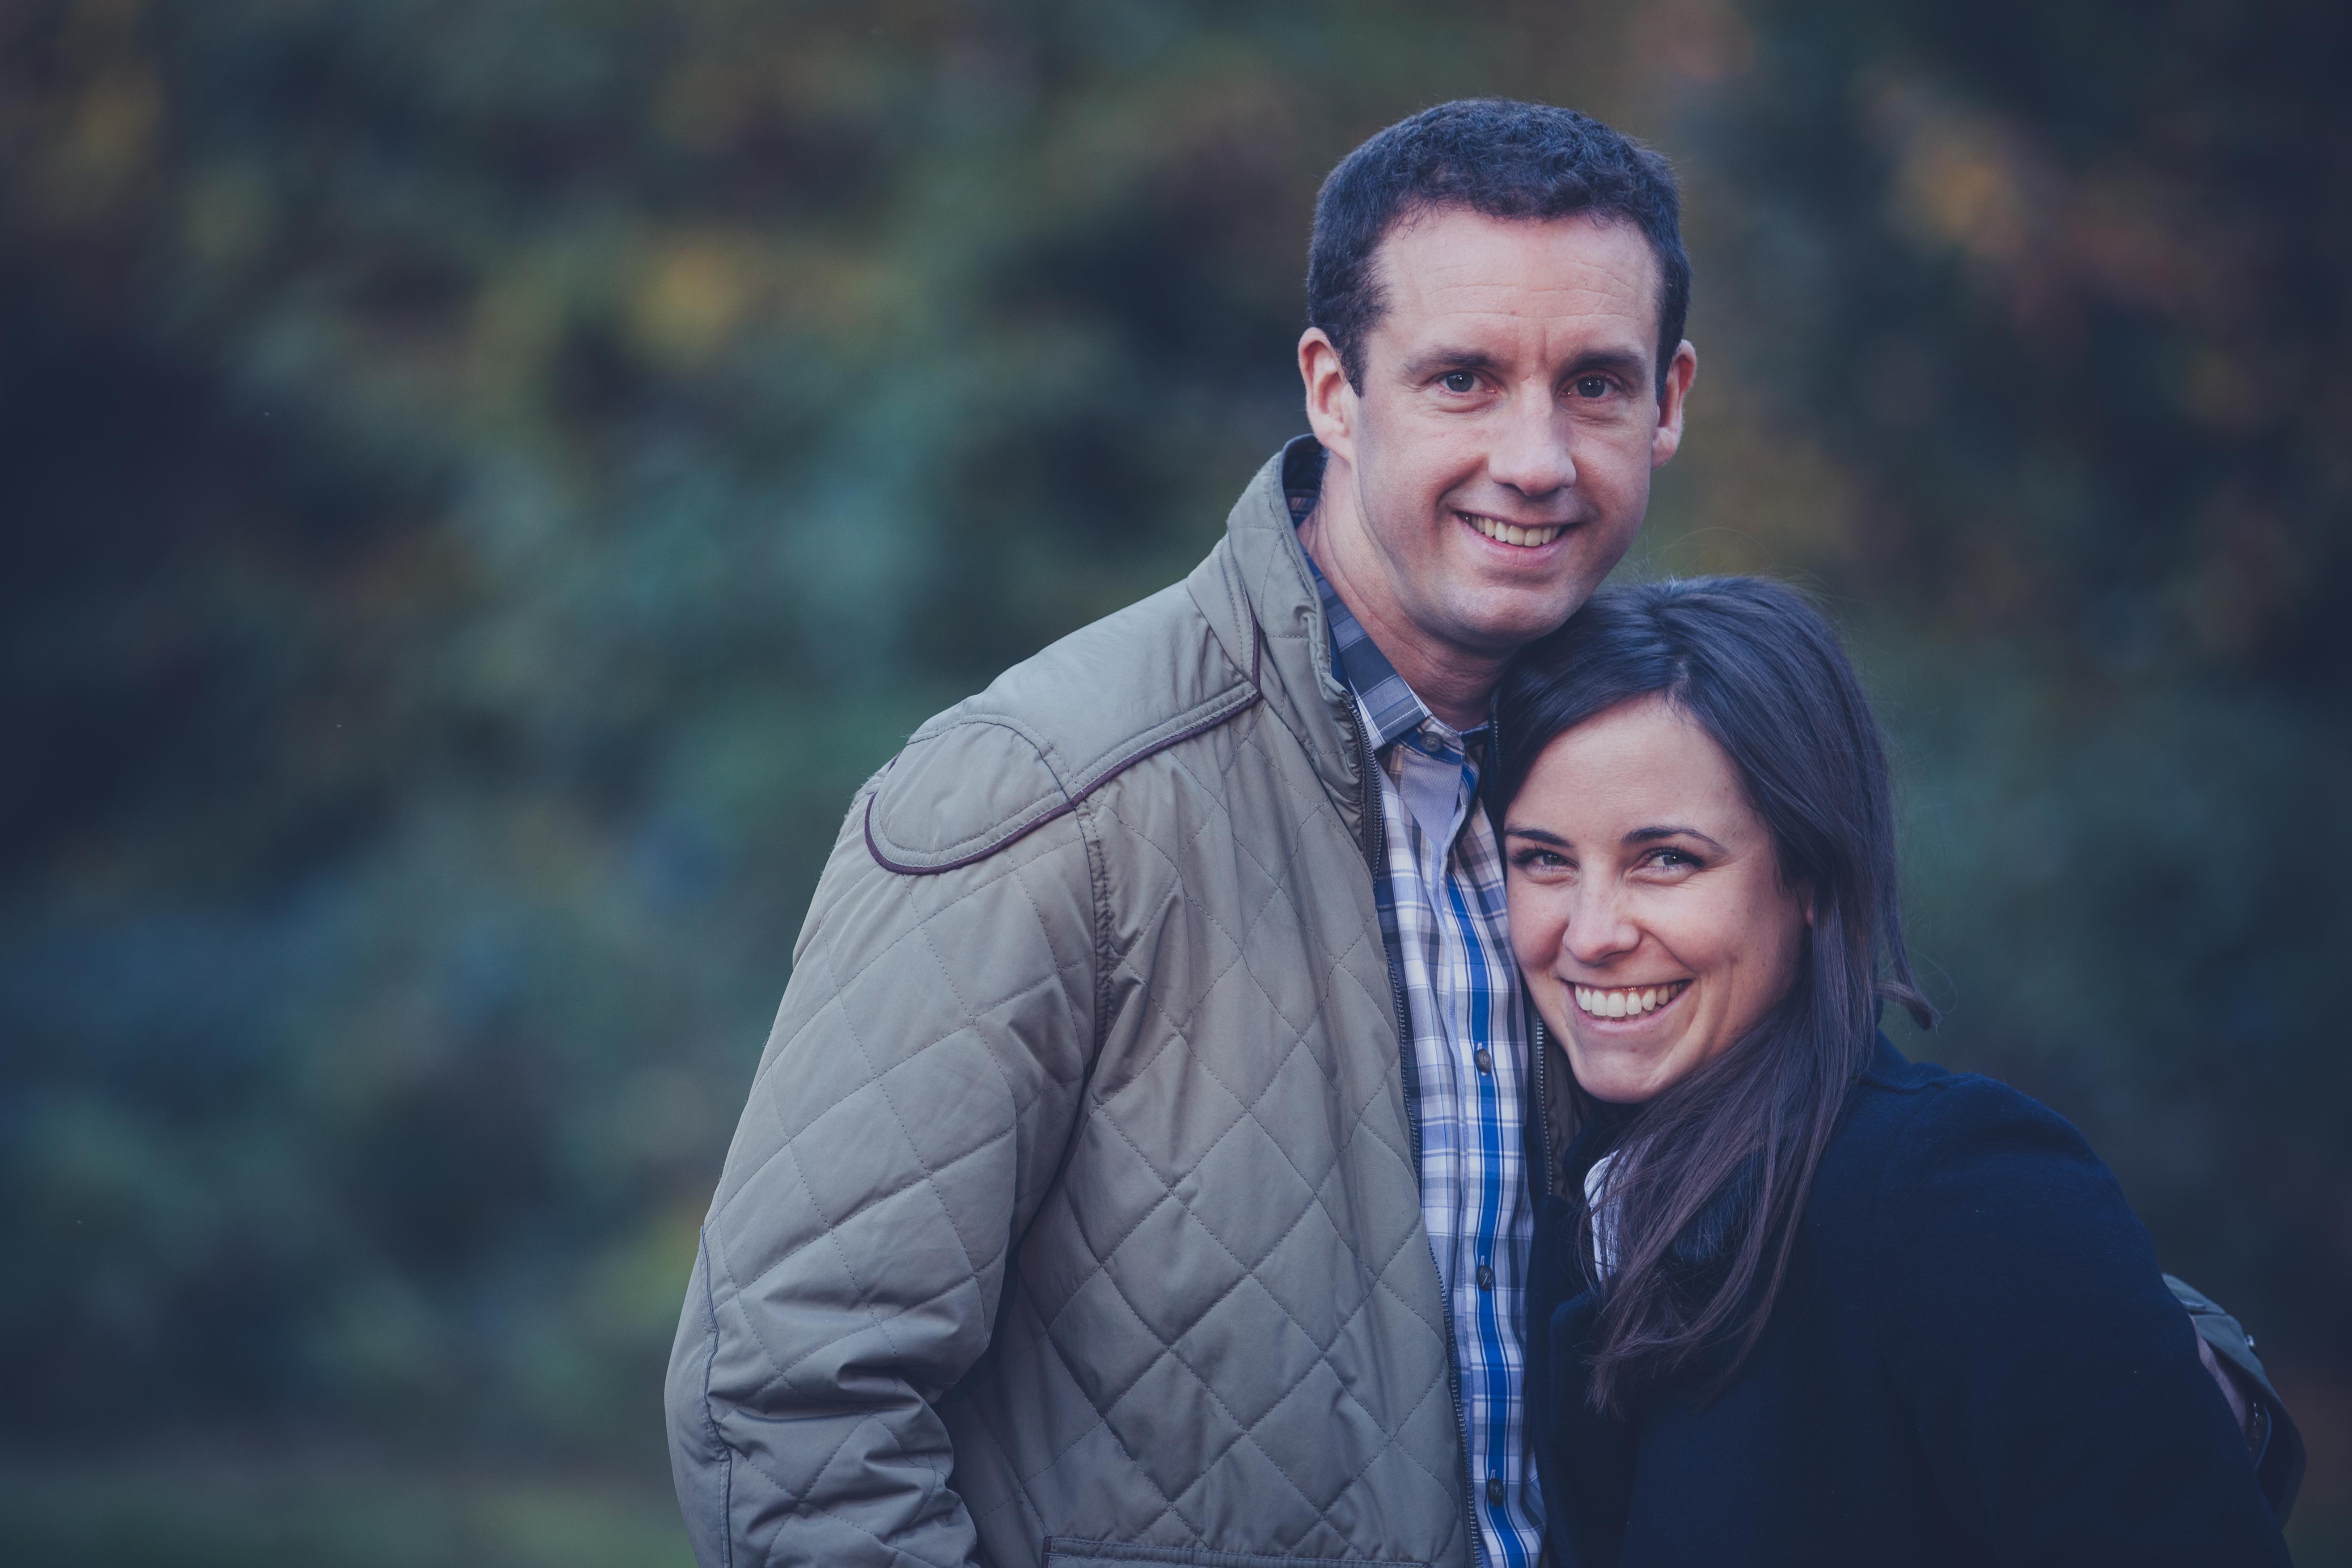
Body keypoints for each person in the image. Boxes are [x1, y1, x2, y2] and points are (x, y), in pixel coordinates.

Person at [665, 99, 2283, 1568]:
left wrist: (2160, 1366)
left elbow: (1830, 1147)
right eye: (1462, 380)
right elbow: (785, 1398)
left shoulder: (1622, 766)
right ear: (1334, 389)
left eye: (1595, 384)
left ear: (1669, 403)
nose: (1535, 458)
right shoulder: (1053, 793)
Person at [1494, 576, 2301, 1566]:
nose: (1589, 934)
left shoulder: (1956, 1186)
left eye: (1665, 859)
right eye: (1543, 859)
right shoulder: (1578, 1211)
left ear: (1812, 878)